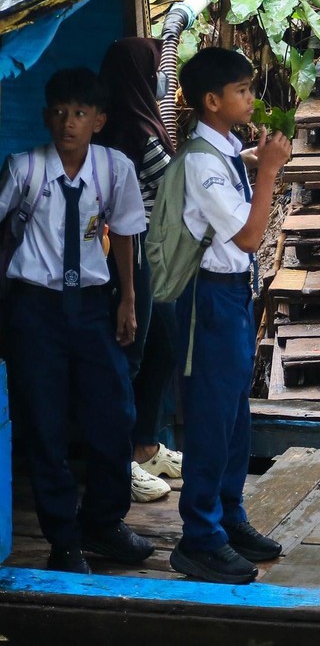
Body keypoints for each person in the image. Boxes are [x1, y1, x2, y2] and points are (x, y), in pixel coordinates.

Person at [0, 67, 154, 573]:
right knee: (43, 427)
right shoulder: (23, 169)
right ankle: (62, 540)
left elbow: (128, 233)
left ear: (99, 120)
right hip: (34, 309)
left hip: (92, 305)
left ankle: (104, 524)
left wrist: (128, 300)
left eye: (81, 113)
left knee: (114, 418)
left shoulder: (115, 170)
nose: (69, 122)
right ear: (47, 116)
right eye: (61, 112)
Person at [168, 47, 291, 584]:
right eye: (241, 91)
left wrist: (253, 164)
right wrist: (268, 172)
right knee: (212, 416)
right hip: (208, 299)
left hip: (233, 294)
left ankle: (229, 515)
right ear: (212, 101)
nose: (251, 98)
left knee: (235, 414)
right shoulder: (198, 161)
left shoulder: (221, 150)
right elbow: (247, 236)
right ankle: (199, 537)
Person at [98, 38, 183, 504]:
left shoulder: (133, 123)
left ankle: (146, 445)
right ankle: (121, 461)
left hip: (150, 252)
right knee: (131, 357)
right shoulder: (134, 131)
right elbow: (175, 186)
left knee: (162, 347)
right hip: (134, 254)